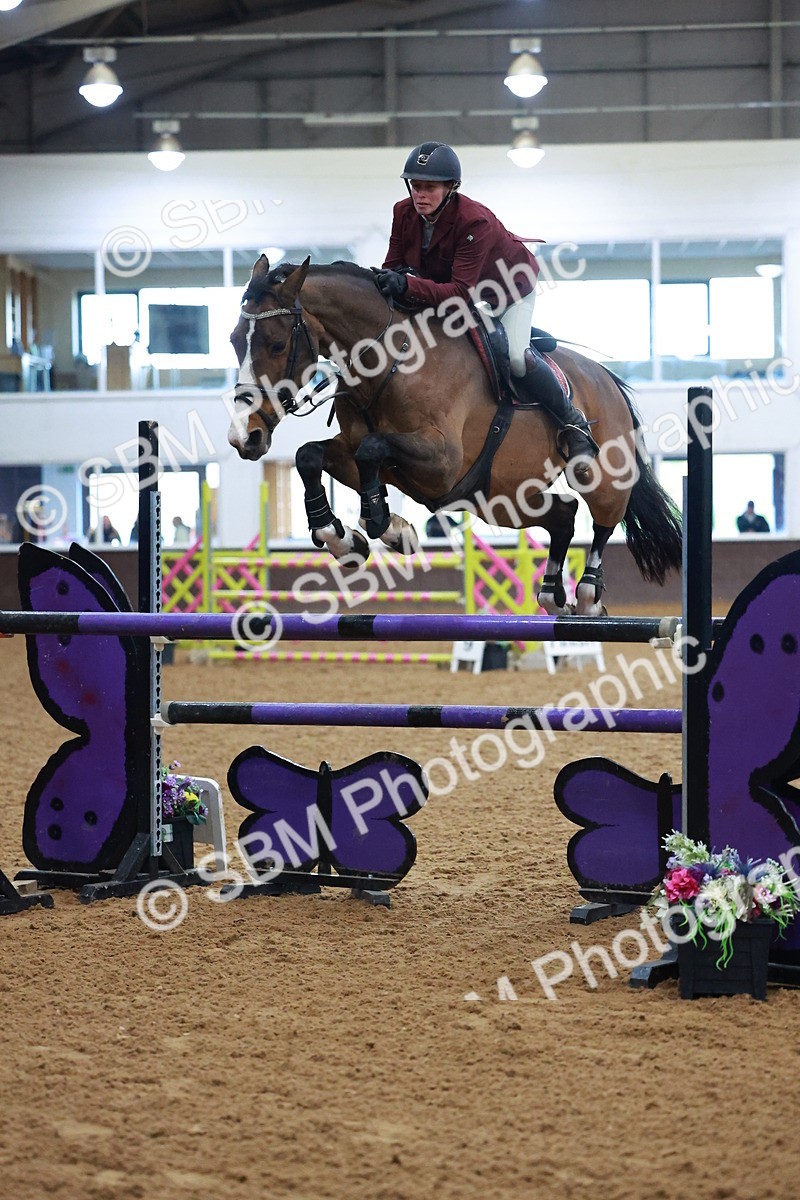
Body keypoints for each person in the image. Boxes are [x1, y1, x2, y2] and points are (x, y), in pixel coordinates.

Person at [373, 140, 598, 473]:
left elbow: (459, 293)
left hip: (507, 289)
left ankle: (573, 422)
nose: (420, 195)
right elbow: (393, 266)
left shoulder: (473, 221)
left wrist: (407, 285)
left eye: (429, 188)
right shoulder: (402, 212)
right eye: (415, 186)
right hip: (453, 290)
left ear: (451, 188)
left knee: (516, 358)